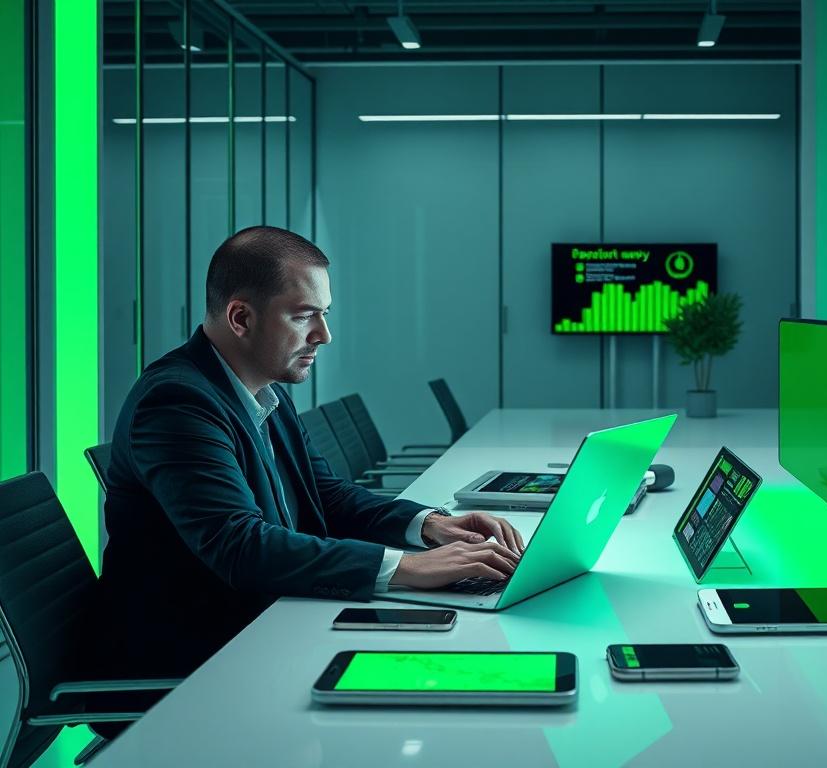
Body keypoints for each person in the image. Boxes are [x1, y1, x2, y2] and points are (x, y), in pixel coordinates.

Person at [92, 226, 523, 691]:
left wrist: (429, 525)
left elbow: (325, 494)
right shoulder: (178, 403)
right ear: (241, 317)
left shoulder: (264, 386)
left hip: (267, 621)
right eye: (304, 316)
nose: (324, 335)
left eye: (324, 314)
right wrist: (406, 567)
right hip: (195, 654)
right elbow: (240, 546)